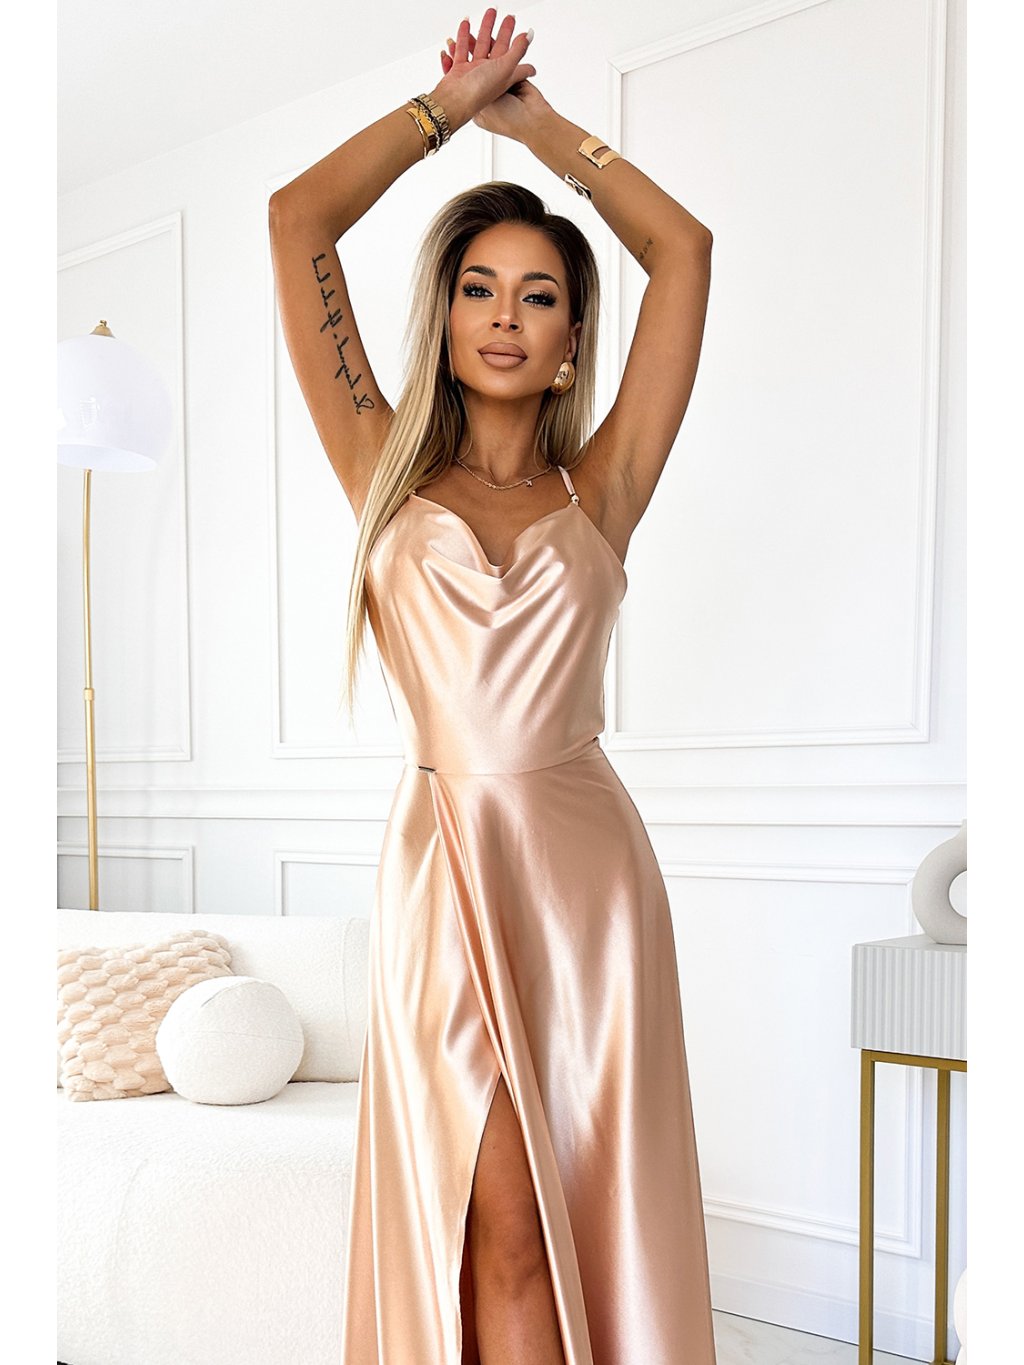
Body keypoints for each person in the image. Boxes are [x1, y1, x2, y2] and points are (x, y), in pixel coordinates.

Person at [268, 10, 715, 1362]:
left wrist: (543, 133)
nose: (506, 316)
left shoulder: (605, 487)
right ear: (446, 313)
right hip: (443, 873)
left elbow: (684, 250)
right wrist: (448, 114)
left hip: (586, 889)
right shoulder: (381, 468)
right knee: (486, 1221)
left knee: (560, 1213)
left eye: (539, 294)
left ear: (574, 334)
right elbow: (296, 222)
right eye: (478, 287)